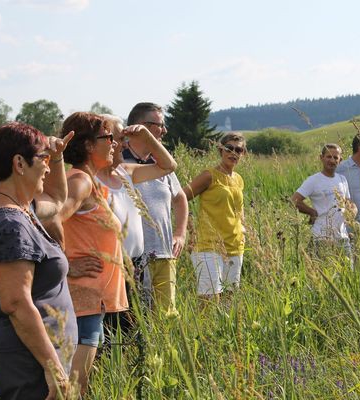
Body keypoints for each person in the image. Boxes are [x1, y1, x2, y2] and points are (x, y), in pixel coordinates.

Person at [48, 111, 176, 394]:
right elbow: (49, 221)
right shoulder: (81, 180)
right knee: (77, 379)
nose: (117, 144)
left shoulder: (107, 177)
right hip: (89, 291)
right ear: (90, 145)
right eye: (110, 138)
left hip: (116, 280)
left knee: (103, 362)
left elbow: (168, 165)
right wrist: (66, 264)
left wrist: (147, 138)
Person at [0, 122, 76, 399]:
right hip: (25, 360)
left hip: (35, 355)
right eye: (42, 160)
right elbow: (16, 303)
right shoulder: (10, 224)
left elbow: (56, 198)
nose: (46, 167)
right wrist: (52, 367)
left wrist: (56, 157)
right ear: (19, 163)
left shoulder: (23, 209)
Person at [95, 114, 177, 332]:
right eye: (119, 139)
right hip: (108, 268)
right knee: (110, 332)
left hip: (135, 266)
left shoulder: (124, 172)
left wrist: (148, 137)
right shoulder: (86, 179)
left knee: (132, 329)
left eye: (124, 139)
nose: (124, 145)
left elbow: (168, 166)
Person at [124, 102, 188, 313]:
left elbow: (179, 199)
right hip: (133, 257)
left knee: (165, 319)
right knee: (134, 319)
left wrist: (180, 233)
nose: (164, 130)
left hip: (164, 254)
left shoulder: (162, 164)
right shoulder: (118, 163)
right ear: (142, 126)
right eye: (159, 125)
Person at [183, 132, 246, 300]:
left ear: (243, 153)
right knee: (209, 300)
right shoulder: (209, 175)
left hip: (234, 245)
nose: (233, 153)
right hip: (208, 245)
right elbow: (180, 198)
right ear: (220, 150)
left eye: (238, 150)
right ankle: (202, 328)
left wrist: (243, 230)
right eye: (229, 148)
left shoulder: (238, 179)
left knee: (229, 299)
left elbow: (239, 211)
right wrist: (189, 228)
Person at [291, 143, 357, 266]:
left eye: (335, 158)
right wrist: (312, 212)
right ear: (321, 158)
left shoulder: (342, 179)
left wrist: (353, 209)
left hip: (342, 236)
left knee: (348, 272)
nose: (332, 160)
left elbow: (348, 201)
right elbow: (294, 200)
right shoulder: (313, 180)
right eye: (328, 157)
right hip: (322, 237)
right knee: (324, 272)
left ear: (340, 160)